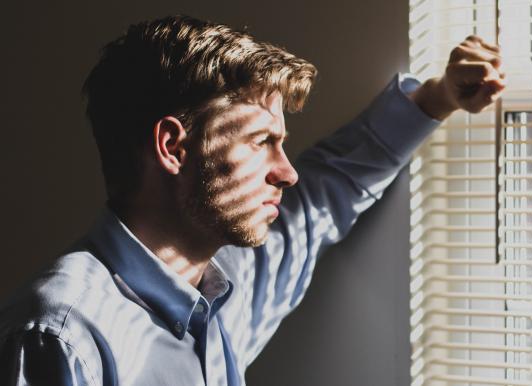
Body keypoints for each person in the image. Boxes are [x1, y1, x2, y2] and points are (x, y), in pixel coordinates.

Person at [0, 15, 504, 385]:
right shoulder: (62, 334)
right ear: (173, 147)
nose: (286, 172)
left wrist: (438, 98)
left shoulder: (230, 286)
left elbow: (330, 189)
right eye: (263, 142)